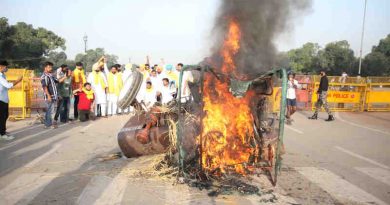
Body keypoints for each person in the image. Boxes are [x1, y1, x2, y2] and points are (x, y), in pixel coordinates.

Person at [0, 60, 23, 140]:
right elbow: (8, 85)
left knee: (5, 116)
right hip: (1, 100)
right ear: (1, 67)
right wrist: (18, 81)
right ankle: (2, 134)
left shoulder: (3, 75)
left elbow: (6, 85)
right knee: (2, 117)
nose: (7, 68)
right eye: (6, 67)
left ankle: (2, 131)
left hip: (4, 99)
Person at [41, 61, 59, 128]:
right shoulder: (45, 76)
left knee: (50, 110)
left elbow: (58, 81)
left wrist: (66, 76)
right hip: (49, 96)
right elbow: (44, 87)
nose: (51, 68)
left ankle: (47, 124)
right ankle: (48, 124)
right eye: (49, 67)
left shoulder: (50, 75)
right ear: (45, 68)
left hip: (53, 96)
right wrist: (48, 96)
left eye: (51, 67)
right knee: (49, 111)